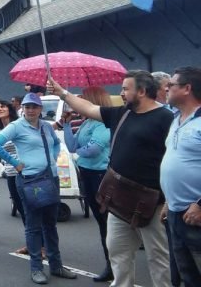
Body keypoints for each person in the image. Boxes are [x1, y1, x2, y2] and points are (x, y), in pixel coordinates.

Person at [48, 70, 173, 287]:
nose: (121, 93)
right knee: (118, 252)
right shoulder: (122, 113)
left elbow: (175, 160)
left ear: (142, 91)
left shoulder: (167, 118)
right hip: (119, 199)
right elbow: (88, 107)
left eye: (126, 89)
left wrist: (171, 200)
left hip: (153, 202)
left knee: (158, 258)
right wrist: (63, 93)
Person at [0, 93, 78, 284]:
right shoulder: (16, 126)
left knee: (50, 225)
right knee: (33, 226)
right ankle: (36, 268)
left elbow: (55, 143)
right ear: (23, 109)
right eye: (27, 107)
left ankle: (56, 266)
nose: (30, 110)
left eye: (34, 107)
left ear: (40, 109)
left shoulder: (46, 126)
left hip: (50, 178)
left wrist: (53, 158)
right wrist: (15, 162)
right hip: (30, 180)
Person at [61, 87, 113, 282]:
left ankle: (113, 264)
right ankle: (111, 263)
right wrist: (66, 124)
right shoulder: (86, 122)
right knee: (102, 223)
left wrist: (76, 154)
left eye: (82, 99)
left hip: (100, 175)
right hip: (87, 174)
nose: (78, 103)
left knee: (106, 222)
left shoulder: (102, 123)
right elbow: (72, 145)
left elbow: (94, 149)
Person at [161, 66, 201, 285]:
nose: (166, 88)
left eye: (171, 85)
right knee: (187, 275)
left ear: (187, 88)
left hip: (195, 213)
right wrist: (168, 201)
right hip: (177, 212)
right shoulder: (176, 119)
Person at [0, 100, 24, 249]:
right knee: (22, 209)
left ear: (10, 109)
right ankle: (33, 244)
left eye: (2, 106)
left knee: (29, 210)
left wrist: (18, 164)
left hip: (23, 172)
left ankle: (41, 246)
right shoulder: (1, 131)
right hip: (10, 174)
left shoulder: (18, 126)